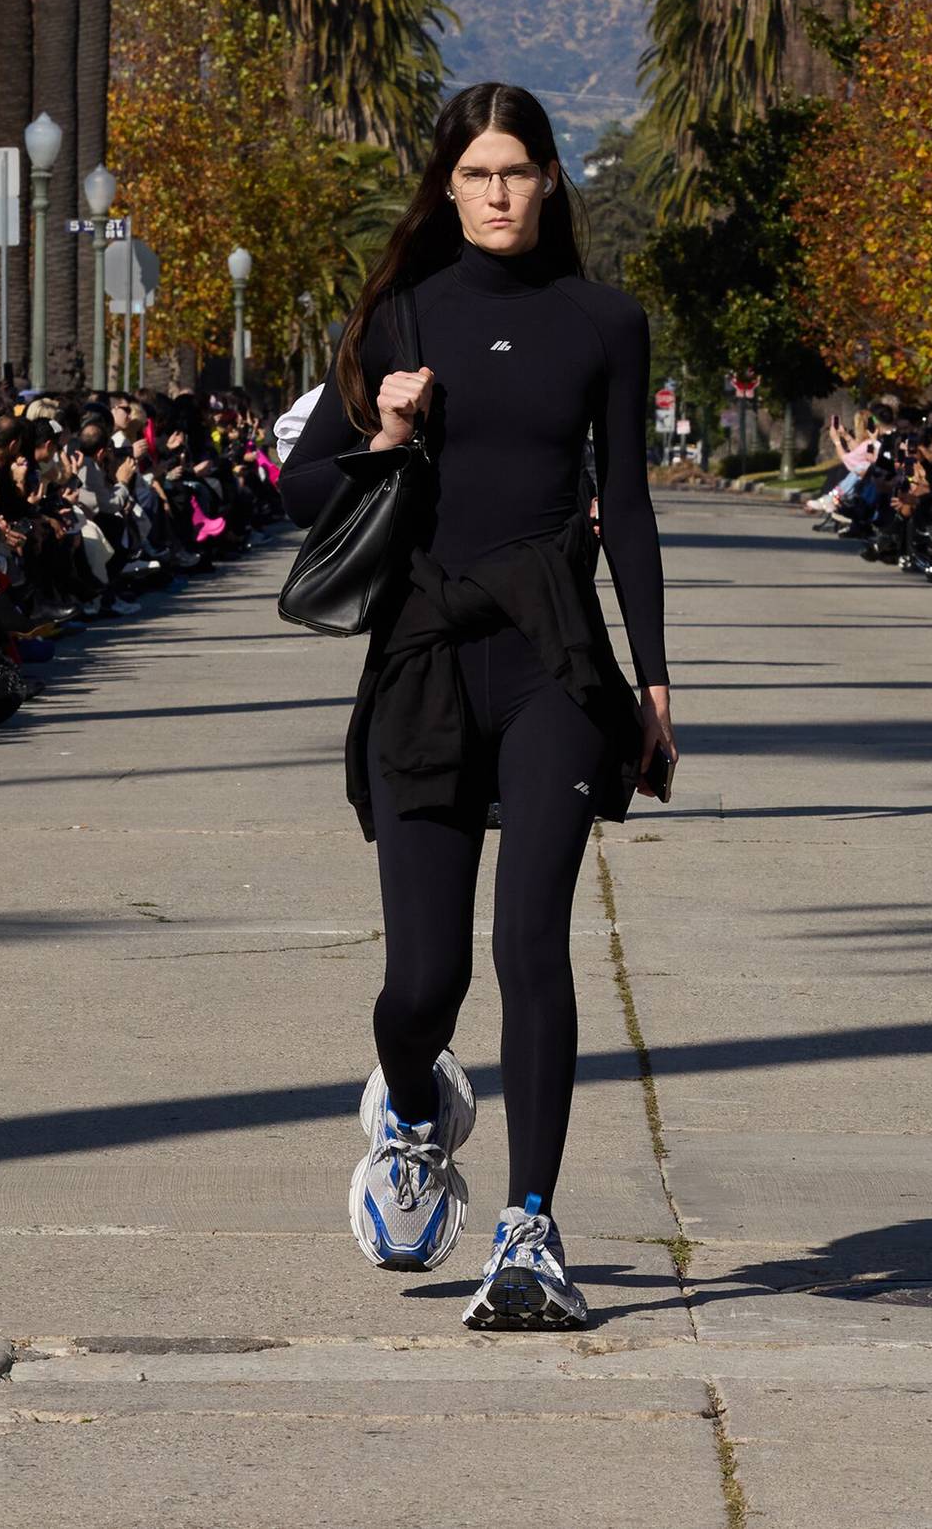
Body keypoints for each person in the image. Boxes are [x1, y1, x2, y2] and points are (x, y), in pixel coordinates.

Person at [279, 83, 675, 1331]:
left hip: (554, 657)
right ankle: (408, 1105)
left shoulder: (605, 322)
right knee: (424, 979)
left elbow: (631, 508)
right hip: (424, 659)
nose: (498, 191)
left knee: (532, 949)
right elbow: (298, 497)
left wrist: (652, 677)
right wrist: (389, 432)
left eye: (520, 170)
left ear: (553, 181)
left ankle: (529, 1231)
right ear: (446, 188)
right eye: (477, 173)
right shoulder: (400, 314)